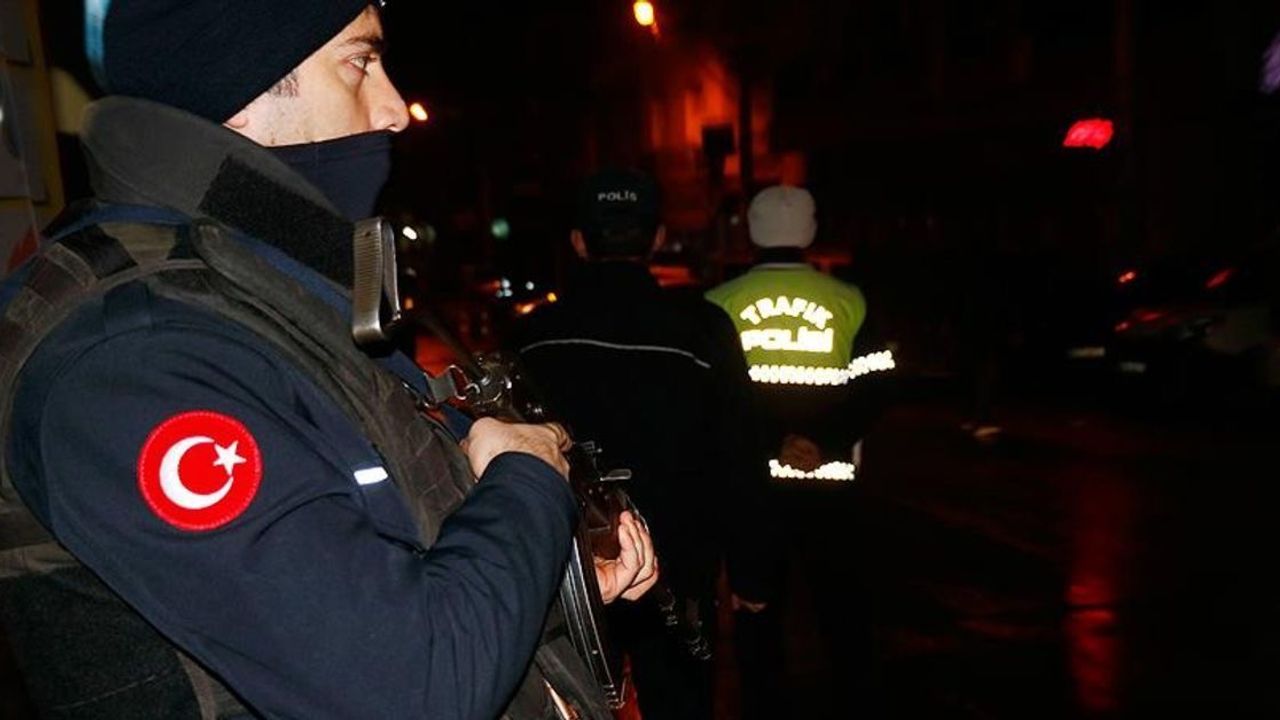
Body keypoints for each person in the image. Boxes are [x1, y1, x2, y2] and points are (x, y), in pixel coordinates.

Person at [0, 3, 658, 719]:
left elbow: (385, 568)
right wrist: (527, 478)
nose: (394, 110)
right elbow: (411, 688)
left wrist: (542, 572)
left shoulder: (267, 296)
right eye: (359, 62)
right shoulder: (133, 356)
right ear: (238, 86)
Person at [510, 170, 775, 720]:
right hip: (677, 573)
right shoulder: (702, 330)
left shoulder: (533, 336)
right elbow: (739, 454)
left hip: (567, 572)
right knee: (679, 702)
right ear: (657, 239)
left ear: (579, 242)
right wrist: (751, 573)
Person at [706, 184, 892, 716]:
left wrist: (773, 442)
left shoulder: (718, 304)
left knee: (757, 615)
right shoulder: (850, 300)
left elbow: (715, 398)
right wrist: (821, 441)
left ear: (753, 231)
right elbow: (876, 385)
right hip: (831, 489)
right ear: (810, 231)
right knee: (843, 615)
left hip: (751, 488)